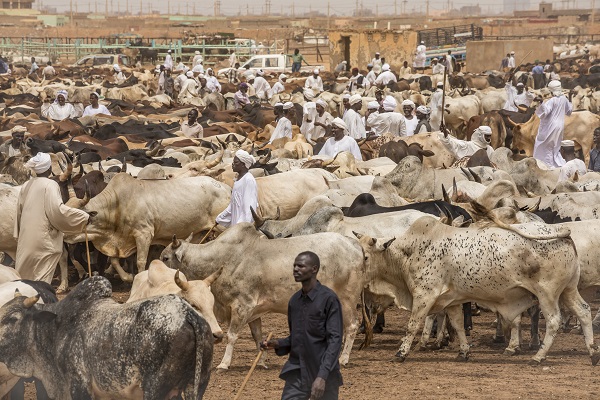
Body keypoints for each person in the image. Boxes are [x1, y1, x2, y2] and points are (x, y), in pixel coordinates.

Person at [261, 251, 344, 400]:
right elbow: (298, 337)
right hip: (297, 371)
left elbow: (335, 341)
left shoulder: (329, 299)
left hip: (322, 373)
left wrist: (322, 377)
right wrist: (277, 344)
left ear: (314, 269)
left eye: (300, 266)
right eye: (294, 265)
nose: (295, 269)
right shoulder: (294, 301)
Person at [14, 152, 90, 283]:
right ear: (49, 169)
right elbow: (57, 212)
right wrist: (83, 217)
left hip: (26, 239)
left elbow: (19, 212)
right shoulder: (50, 185)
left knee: (24, 279)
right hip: (43, 240)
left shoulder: (26, 185)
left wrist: (19, 234)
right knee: (41, 281)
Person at [533, 80, 573, 168]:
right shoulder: (563, 99)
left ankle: (547, 166)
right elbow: (569, 111)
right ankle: (556, 165)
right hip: (560, 126)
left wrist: (540, 103)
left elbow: (545, 112)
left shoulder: (552, 100)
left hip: (550, 127)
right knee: (555, 147)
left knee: (543, 145)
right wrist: (570, 97)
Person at [216, 150, 258, 228]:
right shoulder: (238, 179)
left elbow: (249, 208)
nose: (233, 164)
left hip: (242, 227)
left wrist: (240, 227)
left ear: (243, 164)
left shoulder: (248, 180)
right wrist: (221, 217)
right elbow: (233, 205)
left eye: (236, 162)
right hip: (236, 224)